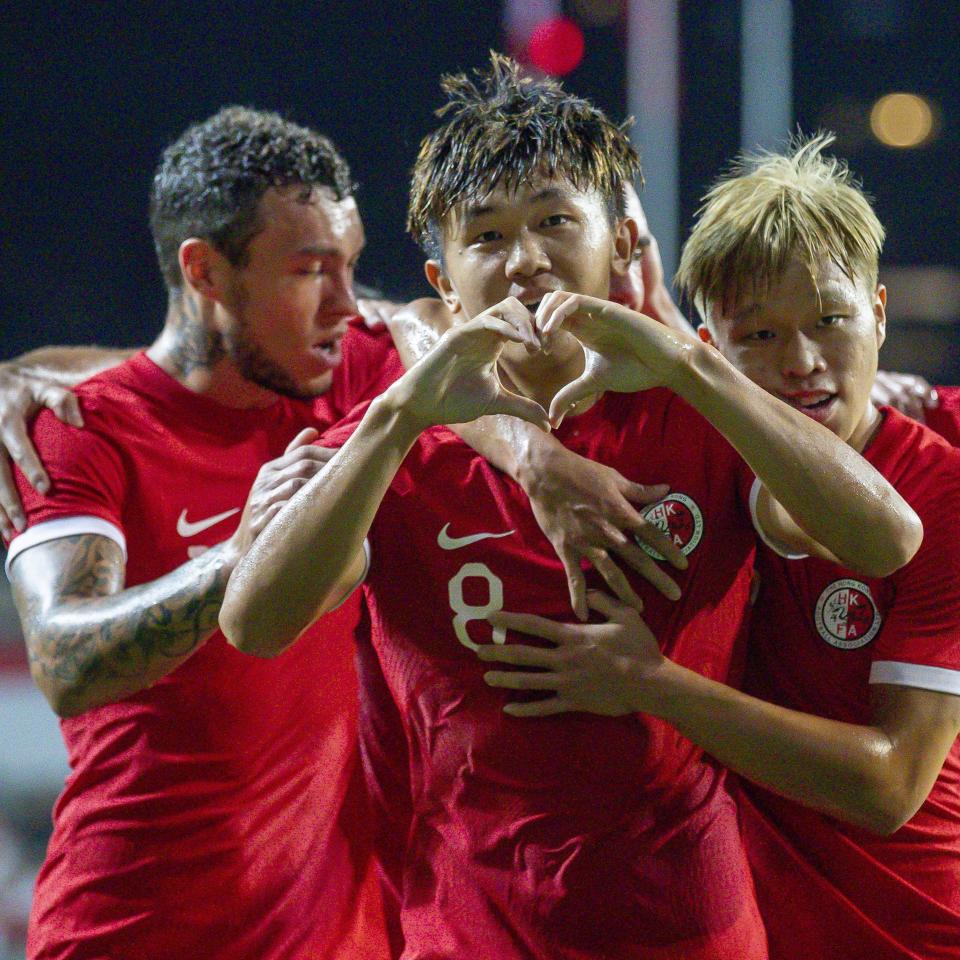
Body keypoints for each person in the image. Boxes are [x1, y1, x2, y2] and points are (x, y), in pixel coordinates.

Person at [219, 57, 918, 959]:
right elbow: (256, 625)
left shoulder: (701, 408)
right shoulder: (394, 436)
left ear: (622, 244)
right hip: (467, 929)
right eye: (488, 236)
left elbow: (885, 542)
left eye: (556, 221)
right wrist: (394, 416)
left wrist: (686, 361)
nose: (527, 261)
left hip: (689, 924)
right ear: (443, 277)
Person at [474, 135, 960, 958]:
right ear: (712, 343)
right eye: (760, 338)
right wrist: (531, 453)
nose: (804, 363)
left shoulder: (941, 491)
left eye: (831, 321)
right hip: (748, 930)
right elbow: (420, 332)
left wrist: (651, 683)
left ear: (878, 312)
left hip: (915, 928)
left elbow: (887, 786)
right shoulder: (702, 444)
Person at [3, 107, 394, 959]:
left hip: (335, 939)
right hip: (131, 930)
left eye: (351, 267)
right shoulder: (80, 428)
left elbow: (468, 333)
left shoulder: (353, 370)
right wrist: (244, 557)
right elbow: (66, 661)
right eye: (308, 271)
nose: (345, 302)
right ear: (205, 272)